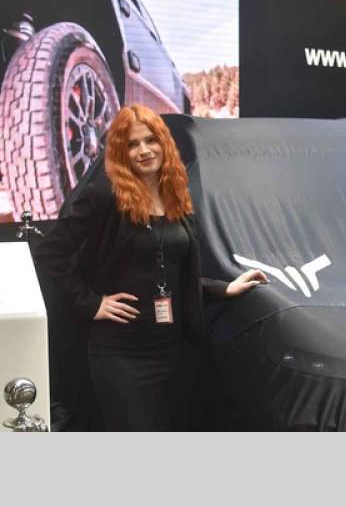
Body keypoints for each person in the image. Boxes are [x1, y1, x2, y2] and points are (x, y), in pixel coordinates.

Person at [33, 104, 267, 431]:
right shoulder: (104, 196)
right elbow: (50, 253)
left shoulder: (176, 196)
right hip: (120, 353)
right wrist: (90, 303)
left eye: (150, 140)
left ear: (164, 142)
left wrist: (223, 288)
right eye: (132, 144)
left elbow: (168, 271)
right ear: (120, 152)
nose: (143, 150)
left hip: (174, 350)